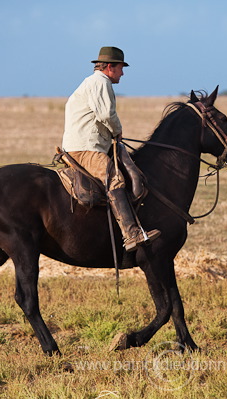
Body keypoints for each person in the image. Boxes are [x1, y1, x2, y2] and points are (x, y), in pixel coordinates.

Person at [61, 46, 160, 252]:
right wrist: (118, 131)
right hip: (86, 147)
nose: (122, 73)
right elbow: (106, 115)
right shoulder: (100, 82)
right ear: (108, 67)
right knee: (115, 179)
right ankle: (131, 233)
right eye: (120, 68)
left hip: (85, 144)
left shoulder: (93, 82)